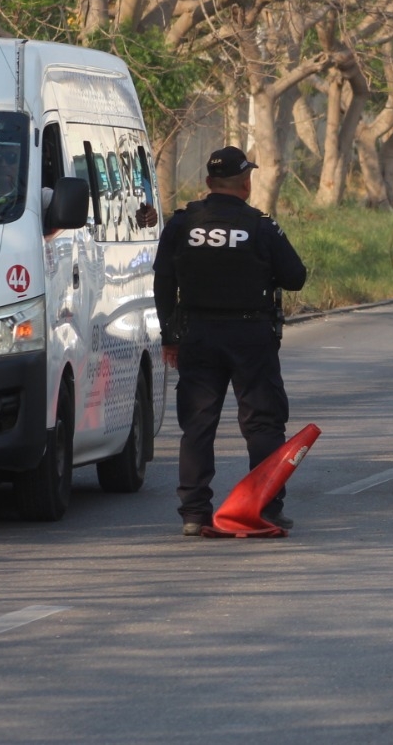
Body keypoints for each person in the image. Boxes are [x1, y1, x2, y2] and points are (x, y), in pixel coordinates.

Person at [154, 146, 308, 535]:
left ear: (208, 183)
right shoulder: (260, 226)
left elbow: (162, 282)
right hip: (249, 336)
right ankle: (266, 507)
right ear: (246, 183)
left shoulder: (182, 224)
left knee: (198, 425)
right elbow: (295, 277)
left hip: (196, 334)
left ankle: (193, 513)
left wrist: (169, 334)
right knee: (262, 424)